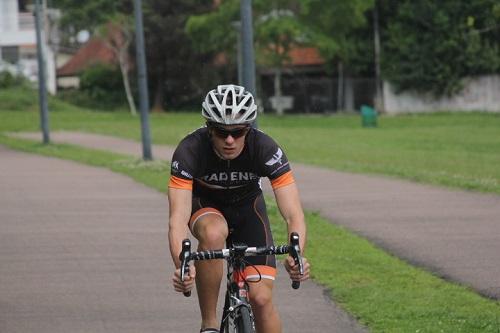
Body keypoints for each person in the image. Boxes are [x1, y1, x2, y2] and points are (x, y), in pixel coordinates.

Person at [168, 84, 310, 333]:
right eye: (222, 132)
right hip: (206, 206)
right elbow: (177, 220)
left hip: (248, 210)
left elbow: (293, 213)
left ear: (249, 128)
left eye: (239, 131)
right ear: (209, 128)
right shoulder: (189, 150)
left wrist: (296, 256)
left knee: (261, 299)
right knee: (213, 233)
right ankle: (209, 324)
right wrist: (183, 265)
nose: (230, 140)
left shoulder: (265, 148)